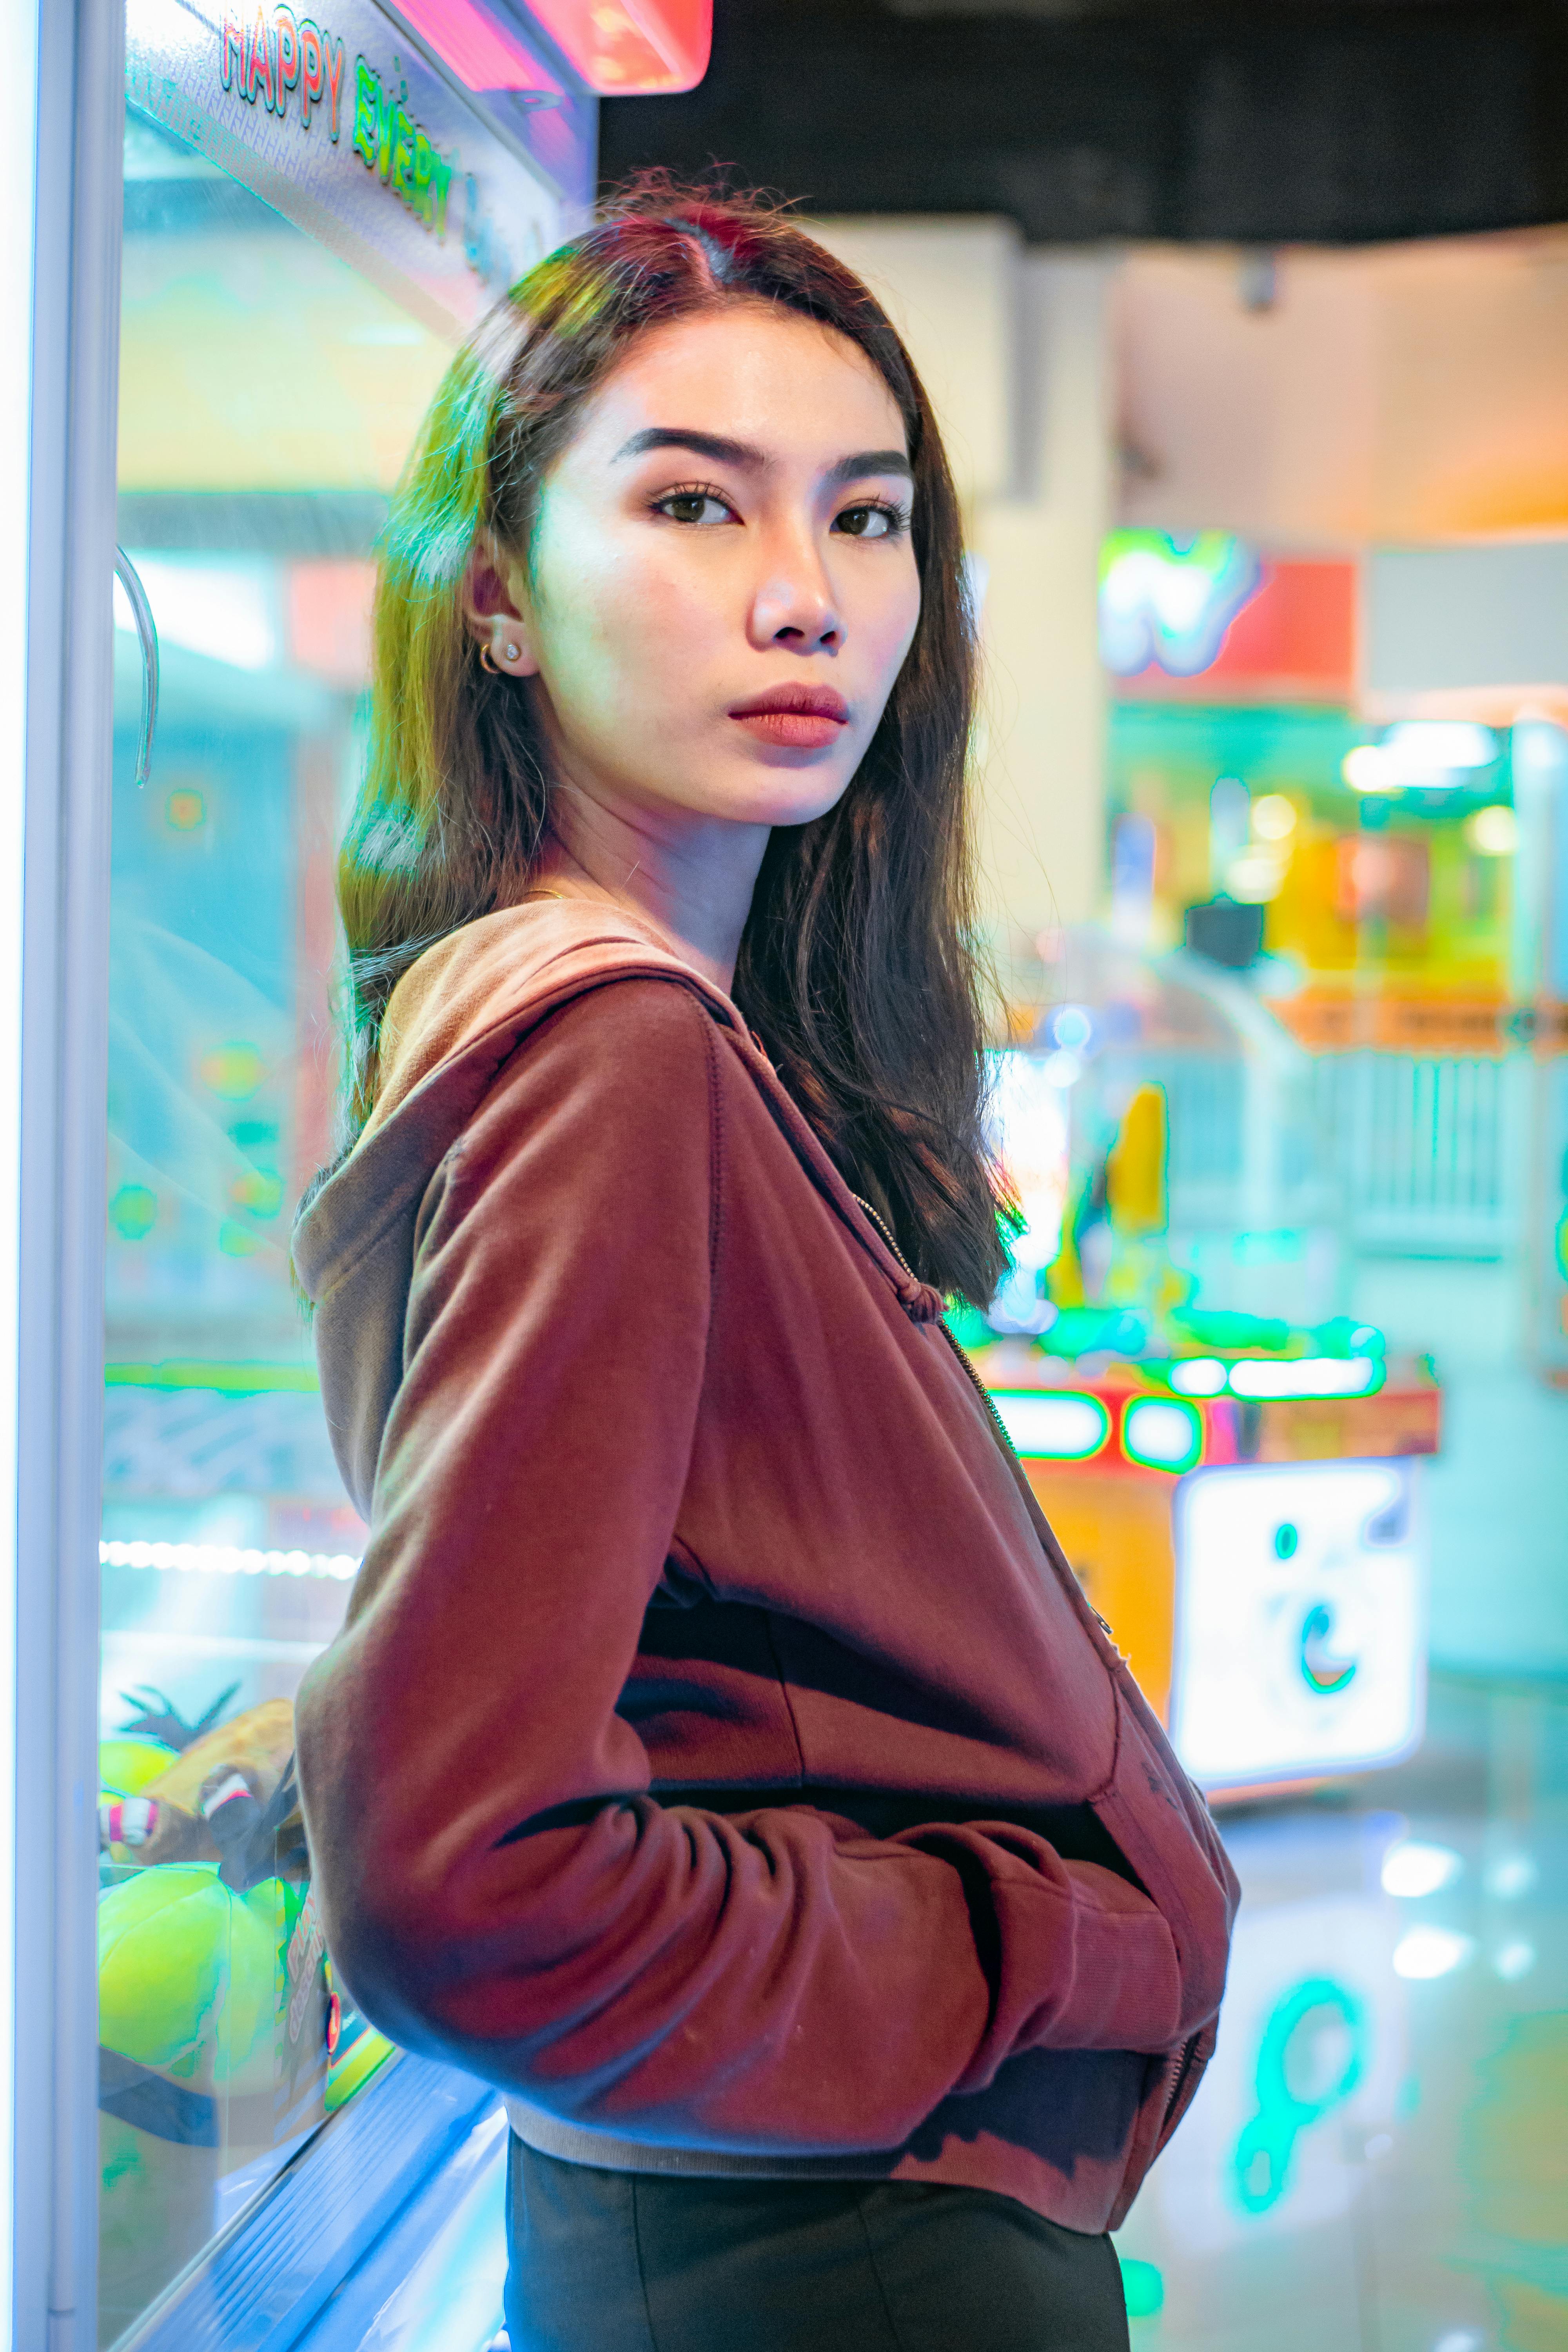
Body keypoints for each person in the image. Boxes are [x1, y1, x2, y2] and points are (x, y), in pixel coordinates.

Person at [292, 183, 1238, 2352]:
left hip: (783, 2223)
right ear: (501, 592)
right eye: (697, 508)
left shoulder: (616, 1021)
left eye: (871, 519)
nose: (805, 599)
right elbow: (460, 1881)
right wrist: (1059, 1955)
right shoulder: (614, 1053)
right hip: (838, 2250)